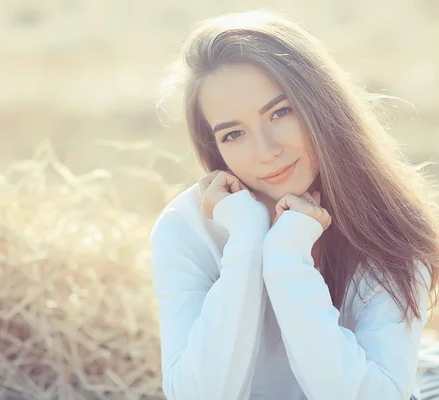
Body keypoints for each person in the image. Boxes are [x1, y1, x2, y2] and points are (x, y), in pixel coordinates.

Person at [150, 10, 439, 400]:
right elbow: (196, 394)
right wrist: (248, 244)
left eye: (280, 112)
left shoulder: (387, 225)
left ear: (320, 104)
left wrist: (288, 260)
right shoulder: (185, 229)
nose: (267, 151)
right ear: (214, 149)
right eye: (234, 134)